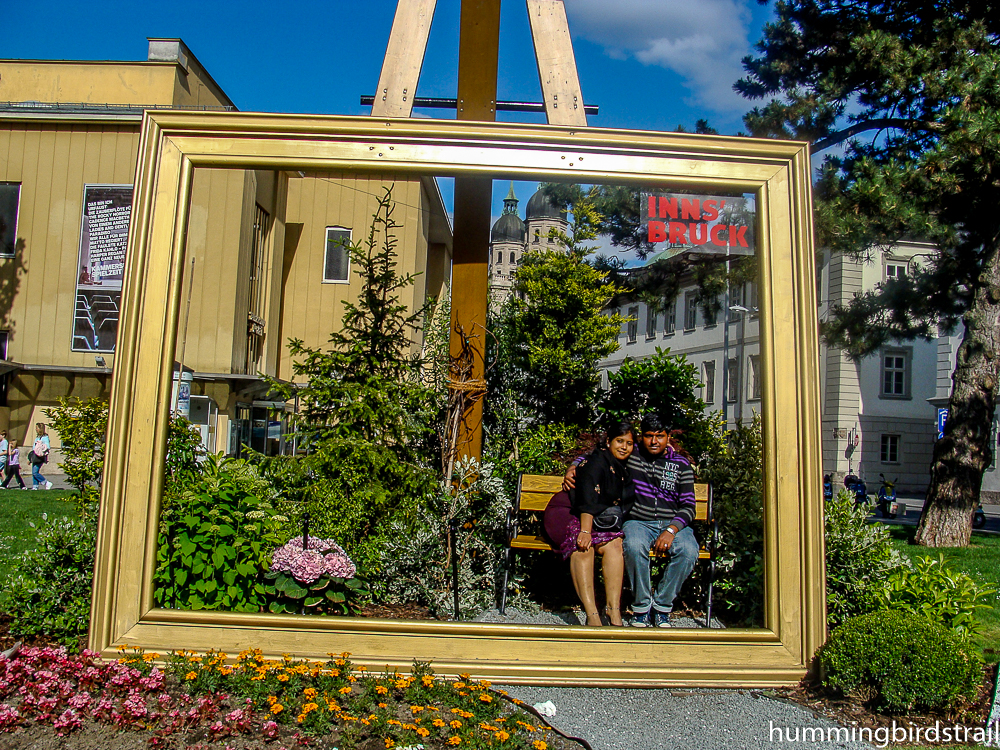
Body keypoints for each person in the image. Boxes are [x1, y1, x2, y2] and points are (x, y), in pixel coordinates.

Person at [543, 422, 634, 626]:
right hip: (567, 511)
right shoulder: (596, 461)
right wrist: (585, 531)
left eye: (629, 443)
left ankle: (613, 610)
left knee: (614, 545)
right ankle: (592, 615)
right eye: (619, 441)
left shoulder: (623, 464)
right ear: (608, 441)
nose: (624, 447)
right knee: (583, 546)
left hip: (594, 516)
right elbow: (588, 495)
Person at [621, 415, 699, 628]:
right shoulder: (631, 455)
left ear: (668, 437)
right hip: (638, 521)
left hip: (672, 523)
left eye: (659, 436)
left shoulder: (681, 464)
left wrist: (672, 530)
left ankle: (662, 607)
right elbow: (598, 454)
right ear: (642, 437)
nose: (654, 442)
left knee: (689, 550)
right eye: (648, 436)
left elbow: (689, 506)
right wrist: (574, 465)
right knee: (634, 546)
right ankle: (641, 607)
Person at [29, 422, 52, 490]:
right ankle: (35, 486)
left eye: (37, 428)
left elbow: (47, 446)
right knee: (34, 472)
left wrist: (41, 446)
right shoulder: (38, 437)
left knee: (35, 472)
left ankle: (46, 482)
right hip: (35, 455)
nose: (36, 429)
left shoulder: (45, 437)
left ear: (40, 429)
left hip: (40, 456)